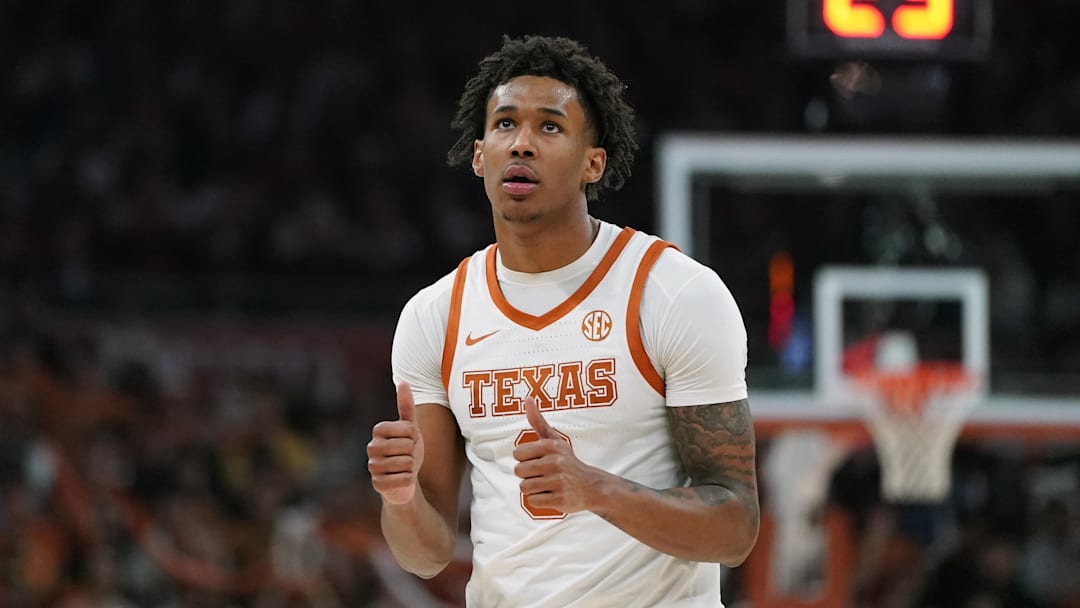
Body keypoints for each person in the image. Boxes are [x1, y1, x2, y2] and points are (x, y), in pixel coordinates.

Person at [367, 35, 759, 607]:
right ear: (479, 156)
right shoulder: (435, 315)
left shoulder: (673, 293)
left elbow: (735, 527)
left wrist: (595, 489)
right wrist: (400, 497)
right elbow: (425, 555)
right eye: (504, 124)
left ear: (592, 163)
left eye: (549, 127)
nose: (521, 143)